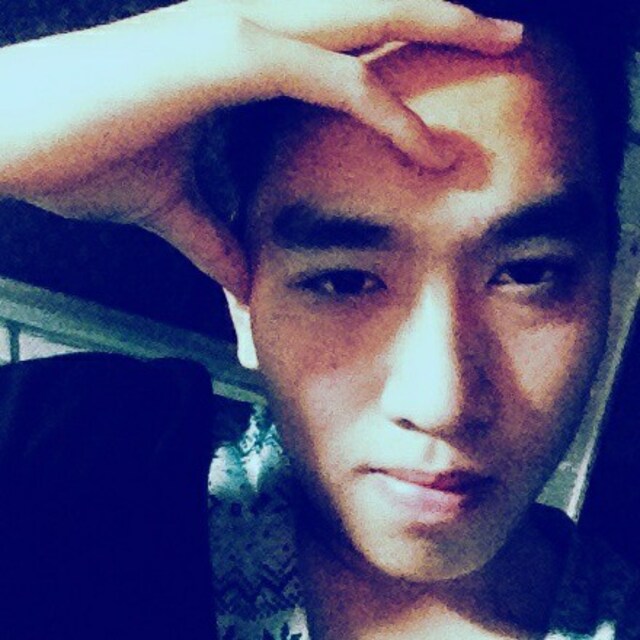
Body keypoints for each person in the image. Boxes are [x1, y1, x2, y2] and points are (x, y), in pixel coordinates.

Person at [0, 1, 637, 639]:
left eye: (527, 274)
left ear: (609, 286)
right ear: (243, 299)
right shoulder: (75, 469)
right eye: (345, 281)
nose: (442, 403)